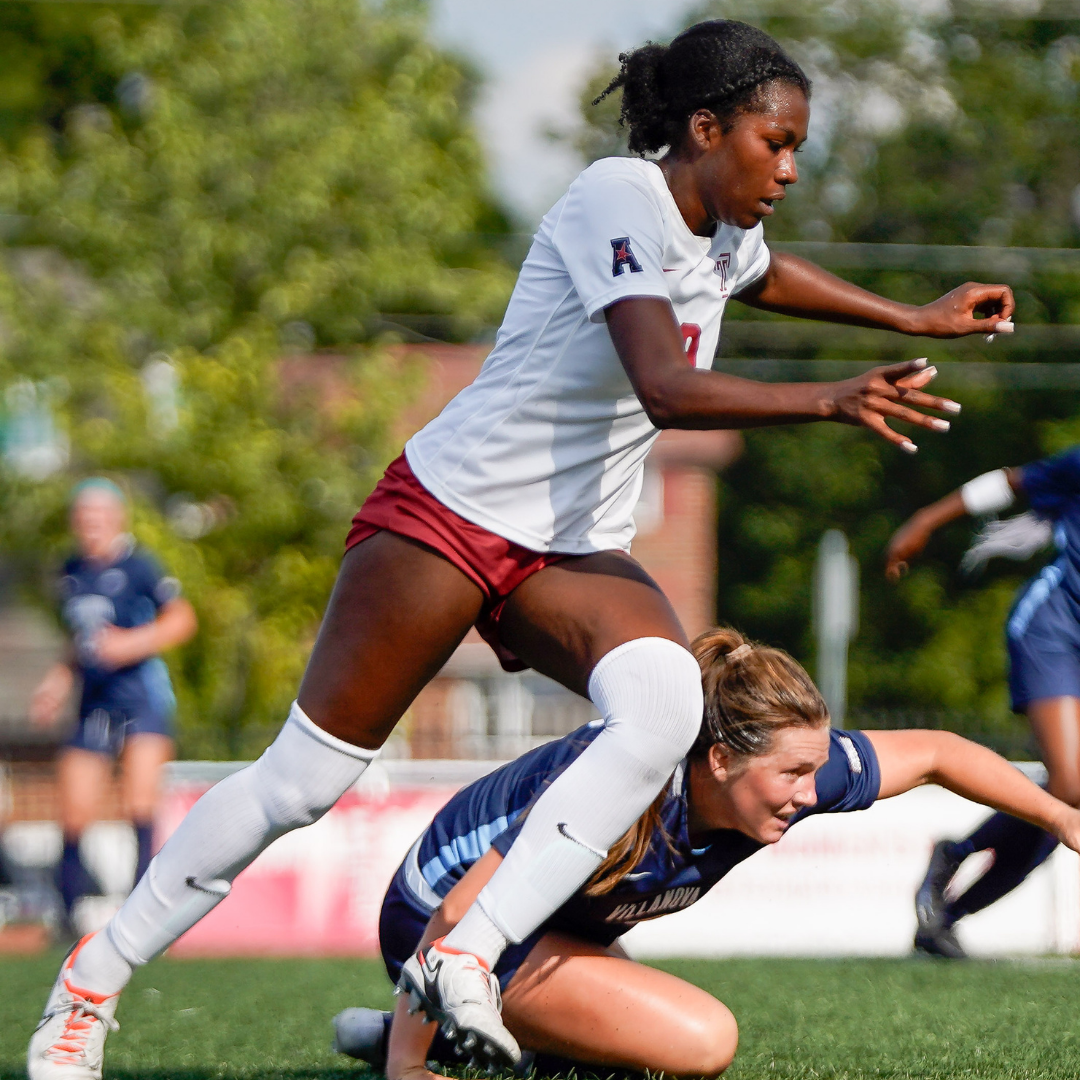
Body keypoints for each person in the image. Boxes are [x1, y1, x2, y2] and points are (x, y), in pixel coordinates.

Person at [28, 19, 1015, 1080]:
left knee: (668, 702)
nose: (786, 168)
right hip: (448, 517)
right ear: (704, 127)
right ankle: (90, 985)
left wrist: (912, 318)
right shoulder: (615, 198)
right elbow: (662, 387)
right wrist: (829, 396)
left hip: (569, 549)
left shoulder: (726, 225)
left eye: (797, 150)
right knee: (299, 786)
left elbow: (763, 276)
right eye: (775, 144)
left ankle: (463, 953)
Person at [329, 627, 1080, 1080]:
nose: (810, 792)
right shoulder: (620, 789)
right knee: (701, 1040)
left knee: (628, 1051)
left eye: (814, 768)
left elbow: (941, 752)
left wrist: (1060, 815)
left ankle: (435, 1035)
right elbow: (460, 912)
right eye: (790, 774)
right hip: (436, 925)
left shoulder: (789, 767)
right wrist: (409, 1067)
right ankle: (411, 1035)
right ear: (718, 760)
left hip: (546, 931)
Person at [886, 446, 1080, 958]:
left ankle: (945, 917)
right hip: (1054, 627)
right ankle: (957, 857)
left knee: (1062, 803)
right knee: (1072, 787)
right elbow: (1010, 482)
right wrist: (926, 520)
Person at [29, 479, 197, 938]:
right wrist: (57, 682)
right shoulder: (70, 572)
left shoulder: (141, 566)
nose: (91, 525)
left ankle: (144, 919)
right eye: (83, 516)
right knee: (73, 808)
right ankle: (65, 920)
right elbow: (79, 643)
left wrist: (130, 645)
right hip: (93, 702)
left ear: (117, 518)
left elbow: (182, 620)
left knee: (139, 803)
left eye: (99, 515)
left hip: (141, 696)